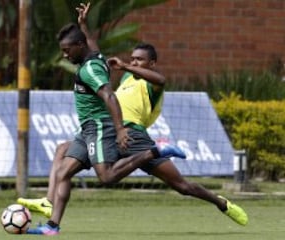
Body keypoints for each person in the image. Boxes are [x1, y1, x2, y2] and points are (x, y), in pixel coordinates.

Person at [19, 3, 248, 235]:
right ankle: (51, 219)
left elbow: (160, 80)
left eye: (140, 60)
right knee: (63, 153)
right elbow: (94, 53)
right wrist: (84, 26)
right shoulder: (126, 77)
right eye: (133, 58)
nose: (134, 62)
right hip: (109, 131)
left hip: (131, 135)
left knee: (181, 185)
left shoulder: (150, 84)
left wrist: (127, 68)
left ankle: (221, 203)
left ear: (152, 63)